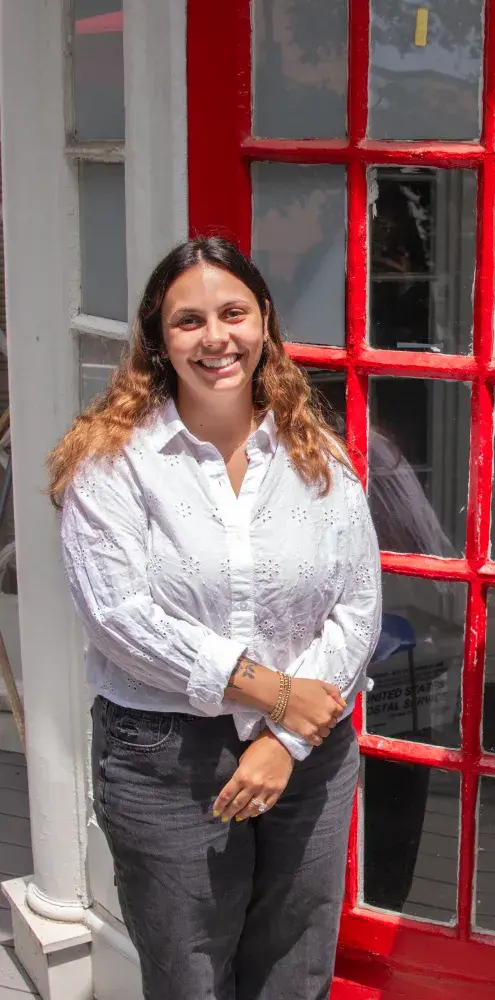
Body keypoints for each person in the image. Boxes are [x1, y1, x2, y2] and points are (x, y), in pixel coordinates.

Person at [48, 237, 382, 1000]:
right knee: (189, 977)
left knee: (296, 969)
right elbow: (119, 615)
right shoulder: (114, 462)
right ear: (159, 339)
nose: (215, 338)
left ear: (263, 320)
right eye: (188, 321)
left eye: (232, 313)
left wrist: (287, 738)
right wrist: (274, 694)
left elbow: (357, 606)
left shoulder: (315, 455)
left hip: (311, 752)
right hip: (167, 757)